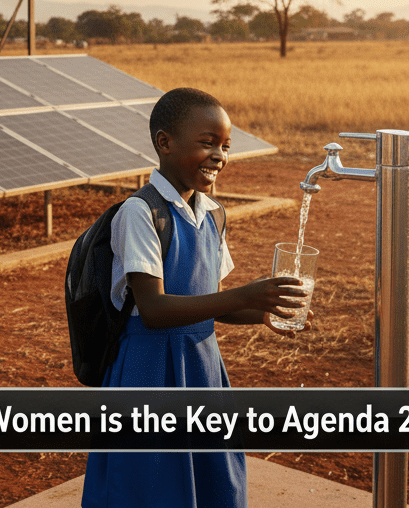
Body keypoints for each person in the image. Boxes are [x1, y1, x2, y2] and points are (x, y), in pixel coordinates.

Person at [80, 88, 306, 508]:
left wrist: (262, 311)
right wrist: (247, 292)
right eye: (207, 142)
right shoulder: (141, 213)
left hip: (202, 366)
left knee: (213, 474)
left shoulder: (213, 213)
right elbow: (154, 310)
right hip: (147, 369)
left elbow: (213, 302)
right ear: (164, 143)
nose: (219, 155)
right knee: (148, 482)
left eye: (225, 146)